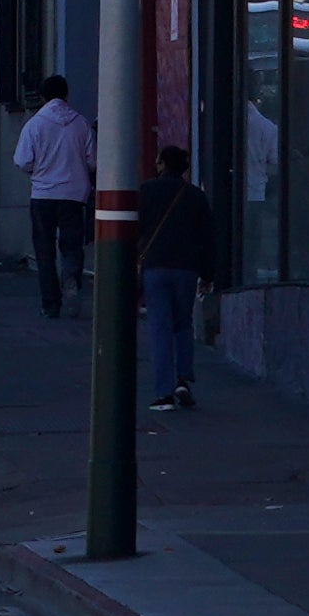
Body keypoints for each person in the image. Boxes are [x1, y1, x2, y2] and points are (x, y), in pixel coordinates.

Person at [139, 139, 222, 412]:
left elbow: (134, 231)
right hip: (187, 268)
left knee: (160, 328)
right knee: (183, 324)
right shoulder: (195, 196)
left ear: (163, 164)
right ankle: (183, 378)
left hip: (155, 266)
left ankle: (164, 392)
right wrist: (208, 274)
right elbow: (207, 238)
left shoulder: (146, 191)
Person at [13, 75, 94, 317]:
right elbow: (93, 161)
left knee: (44, 249)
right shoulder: (81, 123)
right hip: (74, 194)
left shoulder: (34, 125)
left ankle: (50, 303)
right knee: (71, 246)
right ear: (66, 95)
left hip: (43, 193)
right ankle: (71, 279)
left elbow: (23, 161)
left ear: (42, 97)